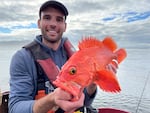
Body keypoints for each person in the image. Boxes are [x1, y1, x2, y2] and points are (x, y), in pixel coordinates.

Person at [8, 0, 118, 113]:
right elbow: (15, 108)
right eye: (47, 17)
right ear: (39, 23)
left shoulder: (74, 55)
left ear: (65, 26)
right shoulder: (22, 58)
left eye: (59, 19)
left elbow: (83, 103)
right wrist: (51, 99)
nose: (53, 24)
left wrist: (92, 85)